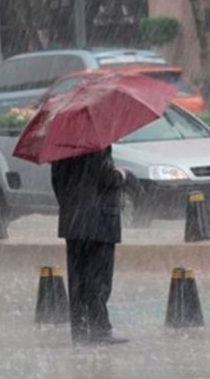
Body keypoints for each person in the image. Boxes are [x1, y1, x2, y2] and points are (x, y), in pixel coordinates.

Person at [51, 146, 128, 346]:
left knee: (78, 279)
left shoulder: (62, 147)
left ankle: (79, 329)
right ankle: (99, 328)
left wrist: (72, 206)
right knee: (98, 278)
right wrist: (120, 174)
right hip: (100, 222)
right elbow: (105, 177)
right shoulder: (95, 145)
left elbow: (57, 184)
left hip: (74, 222)